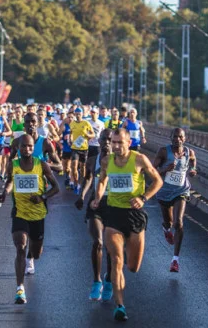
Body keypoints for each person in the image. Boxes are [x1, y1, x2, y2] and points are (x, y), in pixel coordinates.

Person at [91, 128, 163, 321]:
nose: (115, 146)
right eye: (113, 142)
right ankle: (120, 306)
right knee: (116, 260)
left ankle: (115, 282)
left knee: (133, 267)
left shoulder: (139, 159)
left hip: (135, 215)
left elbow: (157, 181)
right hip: (113, 214)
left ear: (128, 143)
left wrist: (143, 197)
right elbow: (102, 180)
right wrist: (98, 197)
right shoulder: (106, 161)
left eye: (119, 142)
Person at [0, 134, 59, 304]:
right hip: (20, 212)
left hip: (38, 213)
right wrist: (5, 193)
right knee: (20, 247)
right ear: (18, 148)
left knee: (36, 252)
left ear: (34, 148)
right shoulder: (13, 164)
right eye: (24, 146)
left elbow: (56, 187)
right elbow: (10, 182)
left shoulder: (42, 165)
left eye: (30, 147)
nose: (27, 149)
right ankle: (20, 289)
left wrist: (42, 197)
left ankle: (32, 255)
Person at [153, 128, 197, 273]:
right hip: (165, 192)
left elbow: (193, 161)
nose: (177, 139)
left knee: (178, 223)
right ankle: (166, 229)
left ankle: (175, 260)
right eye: (175, 136)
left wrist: (193, 170)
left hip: (181, 191)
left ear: (184, 139)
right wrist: (165, 169)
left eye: (180, 137)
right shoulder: (163, 152)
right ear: (170, 137)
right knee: (169, 222)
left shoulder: (189, 152)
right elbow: (153, 171)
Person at [78, 128, 114, 301]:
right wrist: (82, 195)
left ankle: (108, 280)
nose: (106, 143)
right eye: (104, 139)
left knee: (111, 247)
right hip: (96, 204)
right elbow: (87, 179)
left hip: (115, 205)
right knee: (98, 242)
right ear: (98, 142)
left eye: (110, 139)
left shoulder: (121, 162)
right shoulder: (92, 160)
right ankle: (96, 281)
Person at [69, 107, 95, 194]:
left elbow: (93, 134)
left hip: (84, 148)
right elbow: (70, 133)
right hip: (75, 148)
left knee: (83, 168)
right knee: (73, 167)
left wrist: (87, 135)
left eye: (79, 114)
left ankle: (80, 184)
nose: (78, 116)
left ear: (82, 114)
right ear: (75, 114)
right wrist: (70, 140)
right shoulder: (72, 123)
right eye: (76, 114)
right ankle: (76, 183)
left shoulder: (86, 123)